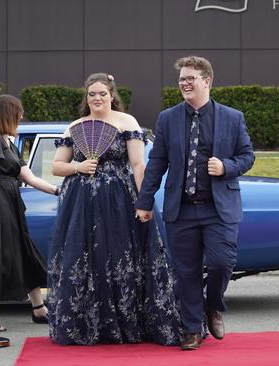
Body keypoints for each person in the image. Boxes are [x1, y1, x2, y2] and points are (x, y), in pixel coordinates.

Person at [48, 73, 181, 345]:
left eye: (102, 94)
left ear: (112, 96)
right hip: (82, 205)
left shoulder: (127, 122)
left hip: (121, 200)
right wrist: (78, 167)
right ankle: (92, 326)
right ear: (86, 98)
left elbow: (138, 165)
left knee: (123, 258)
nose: (97, 99)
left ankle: (130, 323)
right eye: (92, 94)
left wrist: (145, 200)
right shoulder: (75, 127)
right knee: (85, 260)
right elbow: (56, 167)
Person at [135, 56, 255, 350]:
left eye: (190, 78)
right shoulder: (167, 118)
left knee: (221, 264)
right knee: (185, 271)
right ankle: (191, 329)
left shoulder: (232, 117)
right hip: (182, 209)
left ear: (206, 81)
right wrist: (145, 201)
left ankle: (212, 306)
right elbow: (157, 163)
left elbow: (247, 157)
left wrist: (226, 166)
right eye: (181, 80)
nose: (185, 84)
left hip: (219, 208)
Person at [0, 94, 58, 332]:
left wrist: (57, 190)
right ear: (8, 115)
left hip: (9, 201)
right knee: (4, 258)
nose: (21, 117)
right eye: (18, 113)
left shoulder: (8, 143)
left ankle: (39, 309)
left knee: (22, 252)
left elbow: (27, 176)